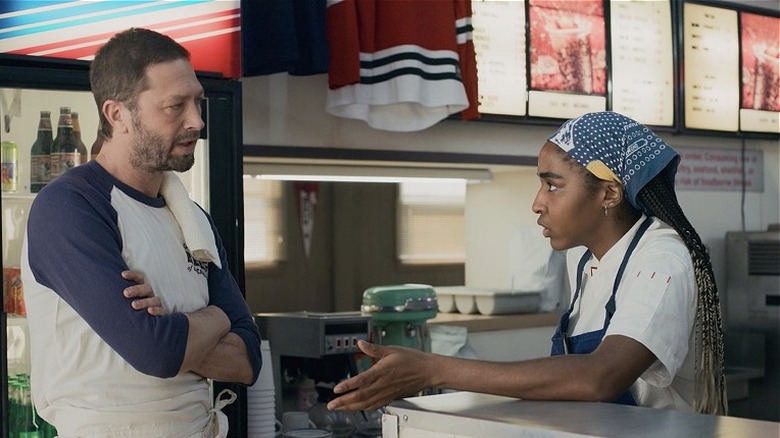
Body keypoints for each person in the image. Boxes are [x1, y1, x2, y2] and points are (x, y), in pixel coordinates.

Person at [327, 111, 727, 415]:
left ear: (609, 194)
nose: (538, 203)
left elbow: (601, 377)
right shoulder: (584, 259)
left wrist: (433, 369)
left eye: (553, 185)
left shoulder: (662, 261)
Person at [21, 28, 262, 437]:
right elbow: (157, 353)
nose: (197, 122)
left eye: (197, 103)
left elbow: (247, 361)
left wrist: (175, 326)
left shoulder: (192, 217)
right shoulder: (70, 207)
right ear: (117, 115)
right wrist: (220, 317)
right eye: (175, 106)